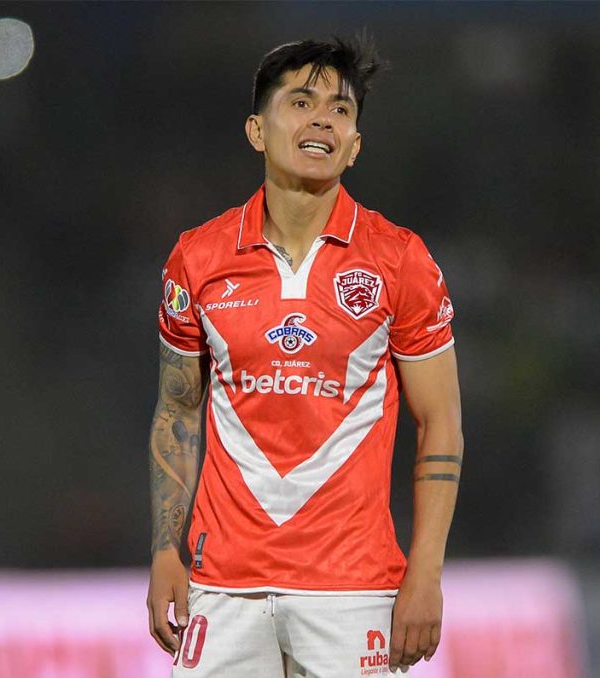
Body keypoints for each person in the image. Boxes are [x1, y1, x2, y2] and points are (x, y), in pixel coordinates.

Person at [147, 36, 463, 677]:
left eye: (340, 110)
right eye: (301, 102)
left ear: (355, 145)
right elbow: (178, 411)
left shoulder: (399, 260)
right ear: (257, 131)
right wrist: (163, 551)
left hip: (352, 590)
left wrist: (425, 573)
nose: (323, 119)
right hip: (224, 587)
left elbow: (441, 423)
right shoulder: (197, 258)